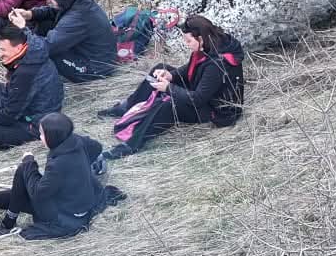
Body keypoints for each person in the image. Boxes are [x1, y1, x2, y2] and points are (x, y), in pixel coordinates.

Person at [102, 13, 247, 159]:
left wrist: (168, 88)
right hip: (202, 92)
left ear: (201, 39)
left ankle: (131, 144)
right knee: (159, 69)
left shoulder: (217, 64)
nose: (186, 44)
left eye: (188, 41)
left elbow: (198, 99)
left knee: (170, 105)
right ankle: (129, 106)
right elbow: (192, 67)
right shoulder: (211, 44)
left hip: (214, 110)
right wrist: (171, 75)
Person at [0, 28, 64, 151]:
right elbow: (8, 95)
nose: (0, 54)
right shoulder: (33, 53)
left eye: (3, 50)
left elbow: (9, 115)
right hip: (29, 107)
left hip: (35, 125)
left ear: (18, 48)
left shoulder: (25, 73)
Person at [23, 0, 116, 83]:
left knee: (46, 53)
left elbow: (47, 47)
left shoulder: (78, 17)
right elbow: (55, 12)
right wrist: (31, 14)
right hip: (92, 54)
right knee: (43, 24)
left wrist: (23, 29)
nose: (47, 0)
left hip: (95, 69)